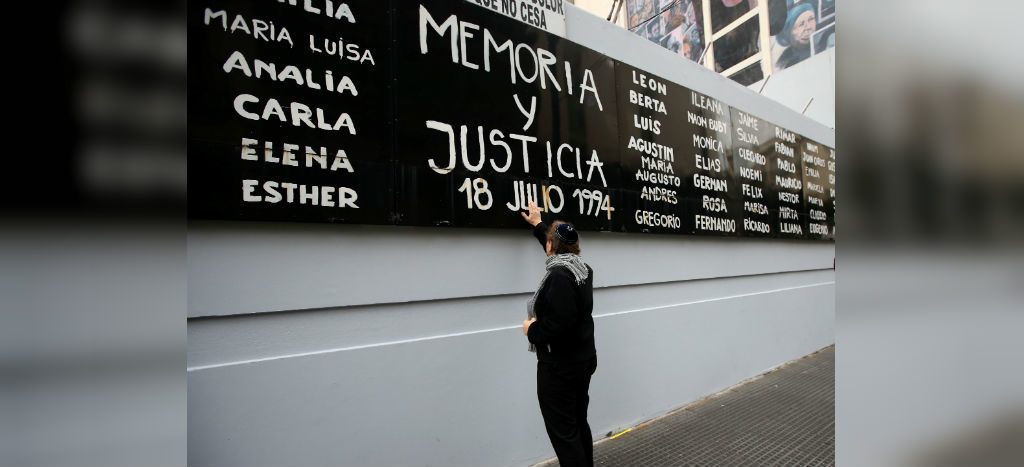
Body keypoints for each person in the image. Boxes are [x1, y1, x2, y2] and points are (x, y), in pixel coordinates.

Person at [520, 201, 598, 467]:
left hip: (560, 368)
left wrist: (532, 330)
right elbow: (556, 247)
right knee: (577, 423)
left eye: (549, 241)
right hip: (582, 361)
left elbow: (559, 325)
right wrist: (538, 224)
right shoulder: (581, 269)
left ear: (552, 246)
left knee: (564, 433)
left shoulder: (559, 277)